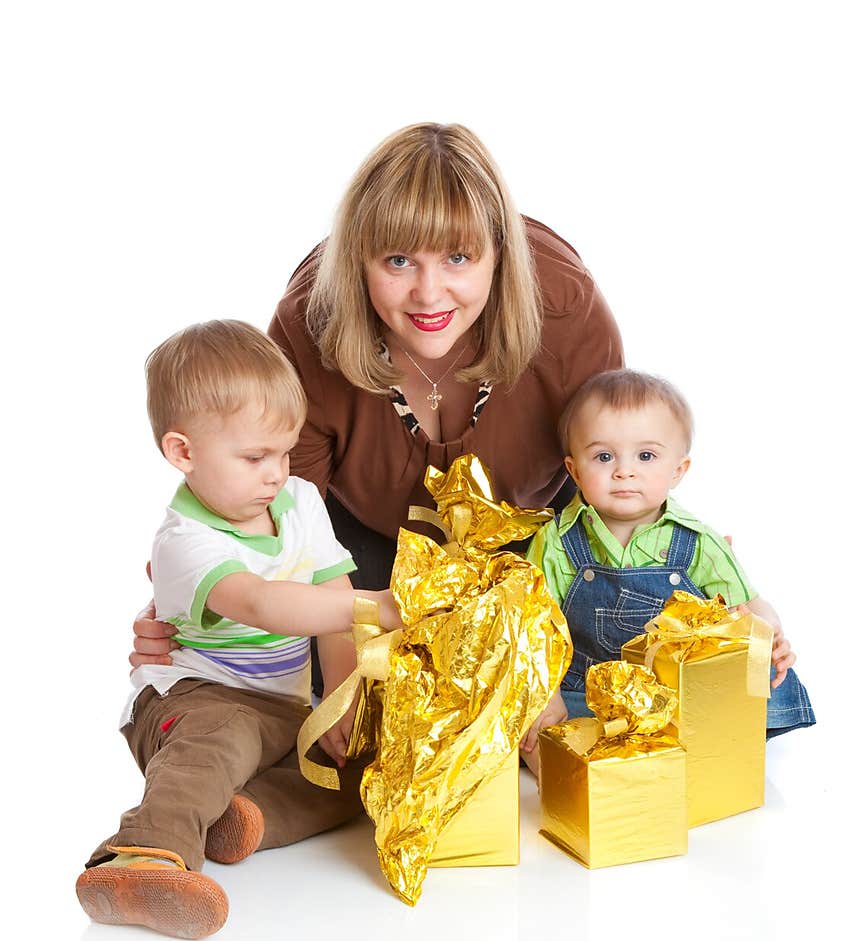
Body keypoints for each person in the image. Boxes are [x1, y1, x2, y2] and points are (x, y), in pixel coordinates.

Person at [132, 122, 623, 690]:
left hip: (536, 537)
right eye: (397, 261)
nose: (430, 293)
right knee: (345, 692)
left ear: (500, 254)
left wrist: (680, 549)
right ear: (360, 261)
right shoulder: (306, 328)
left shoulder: (566, 309)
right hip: (362, 555)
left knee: (573, 672)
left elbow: (623, 465)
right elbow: (276, 519)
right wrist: (195, 605)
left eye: (459, 258)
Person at [76, 321, 400, 940]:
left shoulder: (300, 502)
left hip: (279, 711)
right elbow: (262, 603)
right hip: (195, 698)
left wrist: (339, 705)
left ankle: (245, 814)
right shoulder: (184, 542)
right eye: (255, 458)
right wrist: (376, 607)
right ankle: (140, 859)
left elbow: (331, 606)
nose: (276, 472)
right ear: (184, 453)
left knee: (357, 773)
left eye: (284, 452)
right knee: (217, 741)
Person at [520, 369, 815, 769]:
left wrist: (769, 635)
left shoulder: (696, 542)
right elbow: (533, 628)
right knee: (532, 720)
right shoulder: (557, 543)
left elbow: (750, 604)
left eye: (646, 456)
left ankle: (689, 752)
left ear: (678, 469)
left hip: (675, 693)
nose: (624, 471)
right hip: (585, 693)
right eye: (604, 457)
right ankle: (579, 769)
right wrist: (546, 695)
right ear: (573, 470)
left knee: (754, 678)